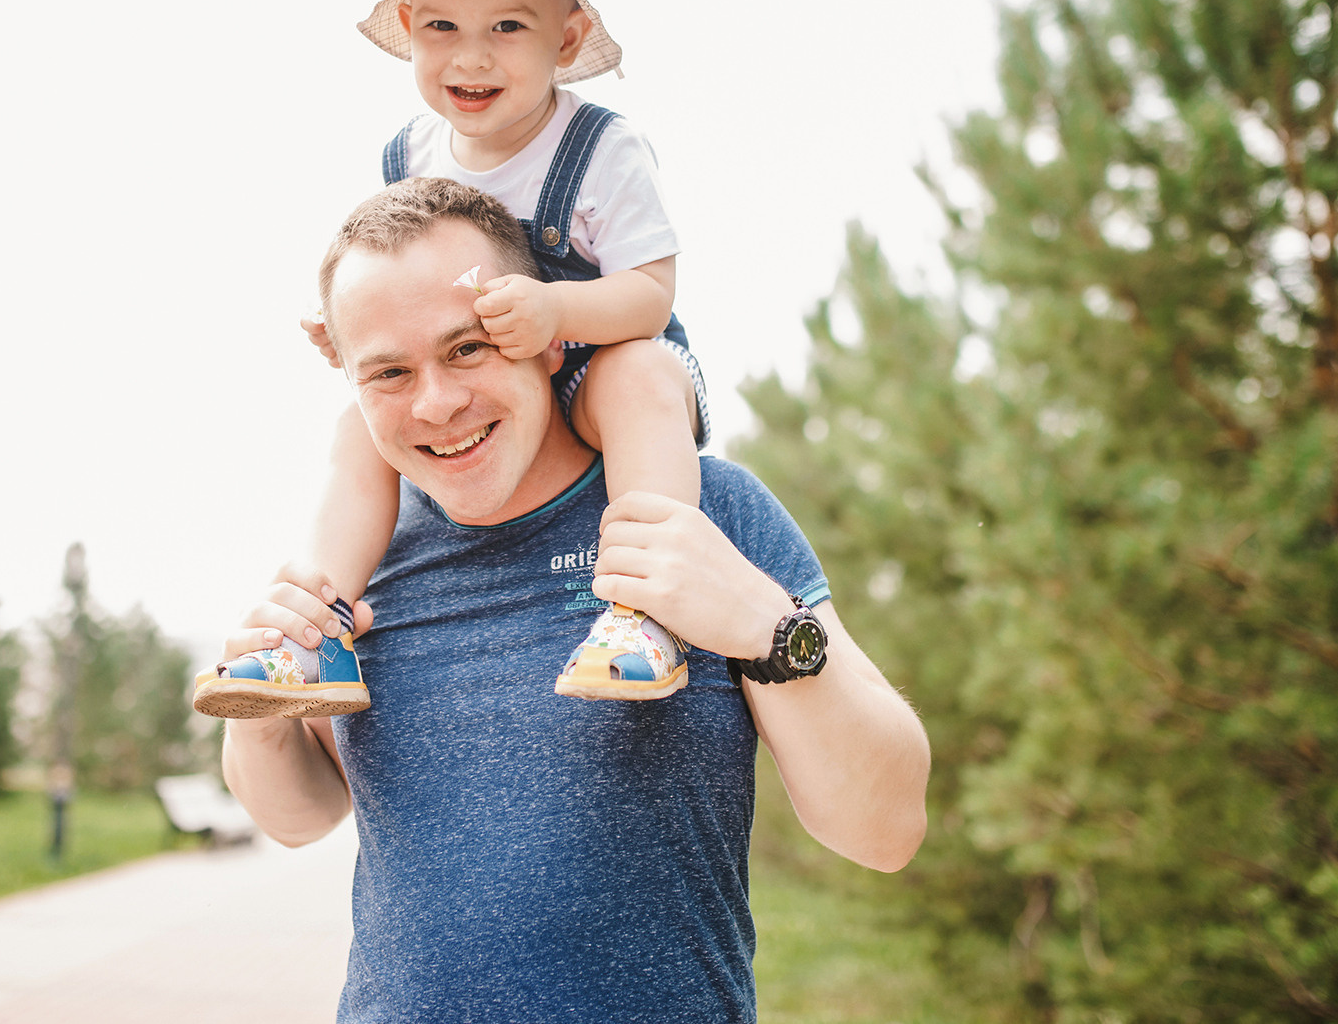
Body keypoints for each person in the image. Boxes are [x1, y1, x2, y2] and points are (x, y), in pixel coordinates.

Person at [218, 178, 931, 1022]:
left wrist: (766, 625)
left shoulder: (703, 510)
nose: (436, 403)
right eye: (390, 372)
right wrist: (258, 722)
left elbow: (885, 830)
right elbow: (302, 817)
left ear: (551, 340)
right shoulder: (358, 555)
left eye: (468, 349)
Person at [192, 0, 707, 716]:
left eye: (508, 25)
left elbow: (650, 294)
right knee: (355, 425)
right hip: (475, 371)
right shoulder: (410, 152)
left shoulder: (601, 149)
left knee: (643, 373)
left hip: (592, 368)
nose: (471, 55)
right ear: (407, 26)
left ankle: (646, 609)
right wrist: (350, 329)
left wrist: (556, 310)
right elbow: (395, 272)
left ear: (568, 39)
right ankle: (314, 631)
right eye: (441, 25)